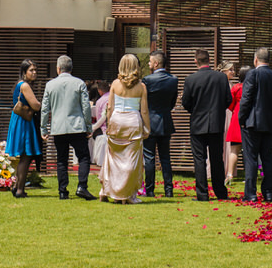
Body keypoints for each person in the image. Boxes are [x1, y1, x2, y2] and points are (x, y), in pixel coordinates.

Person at [40, 55, 94, 201]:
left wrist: (43, 128)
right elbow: (86, 107)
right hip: (77, 126)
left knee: (61, 159)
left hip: (58, 127)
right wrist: (89, 126)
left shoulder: (50, 85)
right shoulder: (79, 83)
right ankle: (82, 186)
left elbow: (45, 108)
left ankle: (63, 191)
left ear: (58, 69)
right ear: (71, 68)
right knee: (83, 157)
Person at [180, 48, 231, 201]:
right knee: (217, 159)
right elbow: (228, 99)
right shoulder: (221, 78)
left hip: (198, 124)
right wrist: (217, 111)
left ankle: (202, 194)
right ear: (209, 60)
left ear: (195, 61)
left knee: (199, 159)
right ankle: (220, 192)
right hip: (216, 123)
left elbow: (185, 102)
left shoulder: (190, 79)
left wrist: (195, 112)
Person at [99, 54, 150, 203]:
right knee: (131, 161)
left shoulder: (115, 84)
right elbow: (144, 111)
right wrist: (147, 127)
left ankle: (106, 190)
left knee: (112, 158)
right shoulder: (141, 86)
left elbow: (110, 107)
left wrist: (108, 124)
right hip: (133, 122)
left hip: (117, 120)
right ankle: (125, 195)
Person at [239, 47, 272, 202]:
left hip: (252, 122)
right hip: (270, 122)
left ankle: (250, 194)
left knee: (251, 158)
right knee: (267, 158)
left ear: (255, 59)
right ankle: (268, 193)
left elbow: (246, 99)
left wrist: (241, 119)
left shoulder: (253, 74)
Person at [5, 59, 43, 198]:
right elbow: (36, 105)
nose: (34, 73)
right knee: (26, 157)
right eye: (31, 70)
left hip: (20, 121)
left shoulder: (20, 84)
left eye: (35, 70)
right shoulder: (25, 86)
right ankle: (20, 189)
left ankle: (16, 186)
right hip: (24, 123)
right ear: (24, 72)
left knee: (25, 157)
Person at [142, 50, 178, 199]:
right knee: (165, 158)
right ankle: (168, 190)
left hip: (150, 122)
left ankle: (149, 190)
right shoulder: (173, 80)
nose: (149, 64)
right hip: (165, 121)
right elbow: (172, 101)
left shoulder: (147, 80)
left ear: (156, 63)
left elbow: (143, 103)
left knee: (149, 157)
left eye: (150, 61)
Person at [223, 64, 245, 184]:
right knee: (250, 151)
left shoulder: (236, 88)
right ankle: (255, 174)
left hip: (236, 118)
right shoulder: (253, 87)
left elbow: (230, 103)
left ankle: (230, 174)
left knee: (234, 150)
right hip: (250, 120)